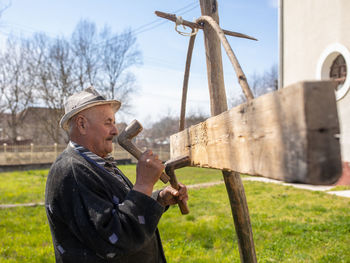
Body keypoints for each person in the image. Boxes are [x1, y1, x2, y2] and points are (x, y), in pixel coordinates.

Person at [45, 87, 188, 263]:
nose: (115, 131)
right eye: (108, 122)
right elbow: (114, 241)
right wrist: (143, 184)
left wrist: (158, 199)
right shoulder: (72, 172)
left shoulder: (97, 163)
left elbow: (117, 207)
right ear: (82, 124)